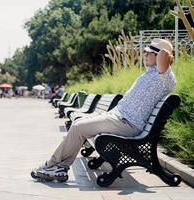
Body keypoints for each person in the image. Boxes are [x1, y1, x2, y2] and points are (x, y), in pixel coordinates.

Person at [31, 38, 177, 182]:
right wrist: (154, 51)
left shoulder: (163, 76)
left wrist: (162, 50)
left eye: (149, 53)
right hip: (118, 118)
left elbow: (164, 58)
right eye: (144, 52)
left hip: (126, 123)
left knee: (77, 127)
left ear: (159, 56)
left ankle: (54, 165)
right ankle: (60, 167)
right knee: (79, 123)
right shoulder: (151, 73)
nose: (144, 55)